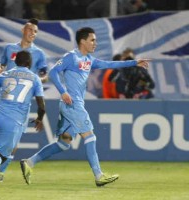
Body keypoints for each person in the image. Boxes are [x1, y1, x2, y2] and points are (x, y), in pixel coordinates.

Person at [20, 27, 150, 187]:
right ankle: (99, 175)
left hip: (71, 105)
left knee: (64, 142)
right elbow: (53, 72)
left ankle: (29, 163)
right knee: (90, 136)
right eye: (92, 40)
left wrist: (134, 62)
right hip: (72, 104)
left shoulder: (89, 60)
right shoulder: (71, 57)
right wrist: (63, 92)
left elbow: (110, 63)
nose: (95, 43)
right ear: (82, 41)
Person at [0, 18, 48, 183]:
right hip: (4, 100)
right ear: (23, 30)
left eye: (36, 32)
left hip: (22, 105)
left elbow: (44, 74)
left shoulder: (39, 53)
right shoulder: (10, 48)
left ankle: (0, 172)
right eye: (31, 30)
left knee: (14, 142)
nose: (33, 34)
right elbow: (1, 66)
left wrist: (40, 79)